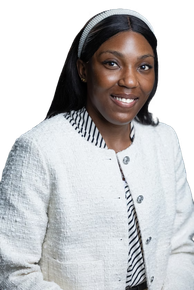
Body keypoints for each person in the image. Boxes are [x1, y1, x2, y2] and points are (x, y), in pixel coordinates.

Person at [0, 7, 193, 290]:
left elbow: (181, 245)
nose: (129, 81)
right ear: (83, 69)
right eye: (112, 63)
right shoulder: (37, 150)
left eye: (144, 66)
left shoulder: (165, 140)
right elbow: (14, 272)